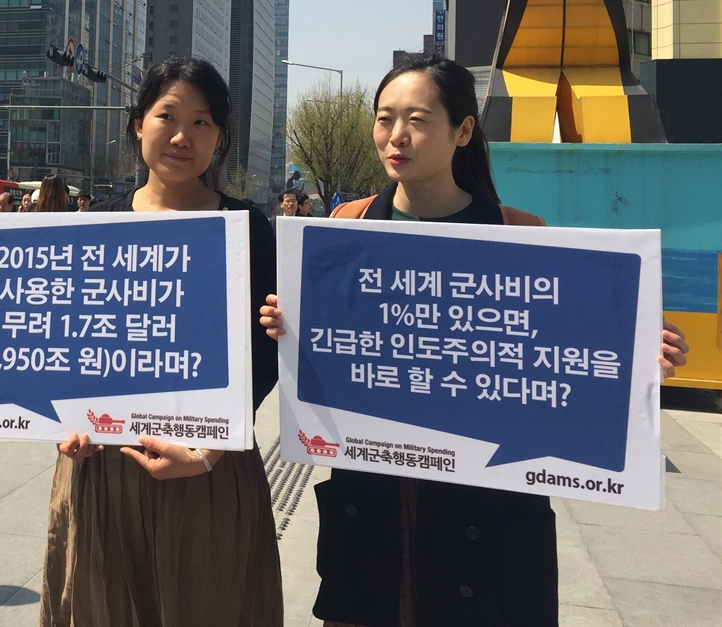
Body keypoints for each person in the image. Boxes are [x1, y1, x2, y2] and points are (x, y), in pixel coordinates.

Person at [259, 54, 690, 627]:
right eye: (385, 119)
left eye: (418, 119)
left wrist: (638, 357)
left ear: (463, 131)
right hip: (375, 507)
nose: (397, 136)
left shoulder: (520, 235)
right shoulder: (348, 227)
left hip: (485, 518)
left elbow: (559, 359)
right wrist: (288, 327)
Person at [40, 57, 282, 625]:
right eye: (166, 116)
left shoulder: (247, 229)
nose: (181, 136)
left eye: (202, 122)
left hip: (210, 472)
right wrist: (62, 422)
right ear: (137, 124)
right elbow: (65, 344)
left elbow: (266, 358)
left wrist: (207, 451)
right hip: (103, 472)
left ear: (219, 138)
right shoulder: (93, 224)